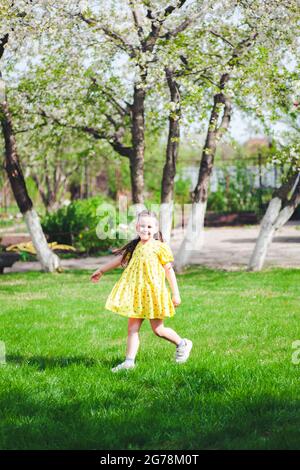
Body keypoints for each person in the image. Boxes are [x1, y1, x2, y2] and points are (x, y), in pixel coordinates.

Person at [90, 209, 192, 372]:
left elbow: (169, 271)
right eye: (142, 226)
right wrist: (101, 270)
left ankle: (183, 344)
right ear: (137, 227)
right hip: (137, 294)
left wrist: (176, 293)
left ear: (156, 228)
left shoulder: (160, 247)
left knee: (158, 330)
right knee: (132, 328)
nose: (146, 229)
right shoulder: (135, 246)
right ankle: (129, 362)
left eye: (149, 227)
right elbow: (120, 260)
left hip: (153, 294)